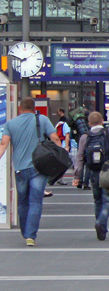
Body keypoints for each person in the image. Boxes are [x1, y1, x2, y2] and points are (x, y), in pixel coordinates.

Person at [0, 98, 63, 246]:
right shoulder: (42, 119)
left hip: (20, 169)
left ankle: (25, 231)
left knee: (23, 202)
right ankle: (31, 235)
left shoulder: (10, 124)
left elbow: (4, 143)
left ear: (20, 108)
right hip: (39, 168)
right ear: (34, 108)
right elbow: (54, 138)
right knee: (35, 202)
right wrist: (61, 155)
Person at [72, 112, 109, 240]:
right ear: (102, 121)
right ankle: (101, 222)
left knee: (97, 201)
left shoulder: (85, 137)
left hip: (93, 172)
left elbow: (80, 158)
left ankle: (100, 227)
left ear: (89, 124)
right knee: (108, 200)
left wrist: (77, 176)